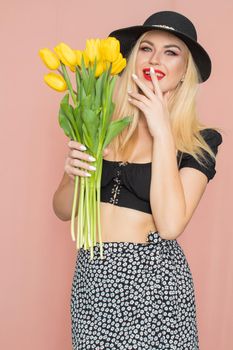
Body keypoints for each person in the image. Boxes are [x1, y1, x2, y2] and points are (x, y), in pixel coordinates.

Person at [53, 10, 223, 350]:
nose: (155, 59)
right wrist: (73, 172)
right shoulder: (100, 125)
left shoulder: (200, 141)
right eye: (146, 48)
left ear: (184, 72)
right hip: (92, 279)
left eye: (171, 52)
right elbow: (61, 210)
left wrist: (162, 132)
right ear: (132, 59)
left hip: (152, 284)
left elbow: (171, 225)